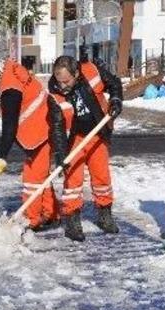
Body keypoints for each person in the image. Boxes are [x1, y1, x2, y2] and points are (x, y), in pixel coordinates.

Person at [0, 53, 61, 231]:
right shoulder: (8, 76)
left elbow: (9, 126)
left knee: (32, 179)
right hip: (41, 127)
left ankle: (33, 219)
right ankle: (50, 213)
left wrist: (1, 155)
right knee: (41, 175)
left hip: (40, 130)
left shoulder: (10, 89)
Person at [47, 55, 123, 242]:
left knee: (101, 176)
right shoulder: (54, 94)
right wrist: (61, 155)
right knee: (73, 179)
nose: (62, 86)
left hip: (98, 133)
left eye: (66, 81)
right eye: (59, 81)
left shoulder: (92, 72)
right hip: (75, 138)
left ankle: (105, 214)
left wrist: (115, 100)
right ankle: (72, 219)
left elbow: (114, 84)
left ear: (76, 74)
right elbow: (57, 127)